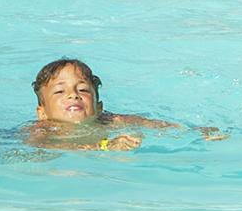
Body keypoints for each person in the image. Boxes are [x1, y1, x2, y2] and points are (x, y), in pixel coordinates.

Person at [26, 58, 196, 151]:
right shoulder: (41, 130)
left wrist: (198, 133)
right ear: (42, 113)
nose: (73, 95)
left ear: (98, 107)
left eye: (83, 90)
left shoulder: (109, 120)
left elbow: (157, 126)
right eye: (59, 91)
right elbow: (45, 148)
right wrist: (103, 146)